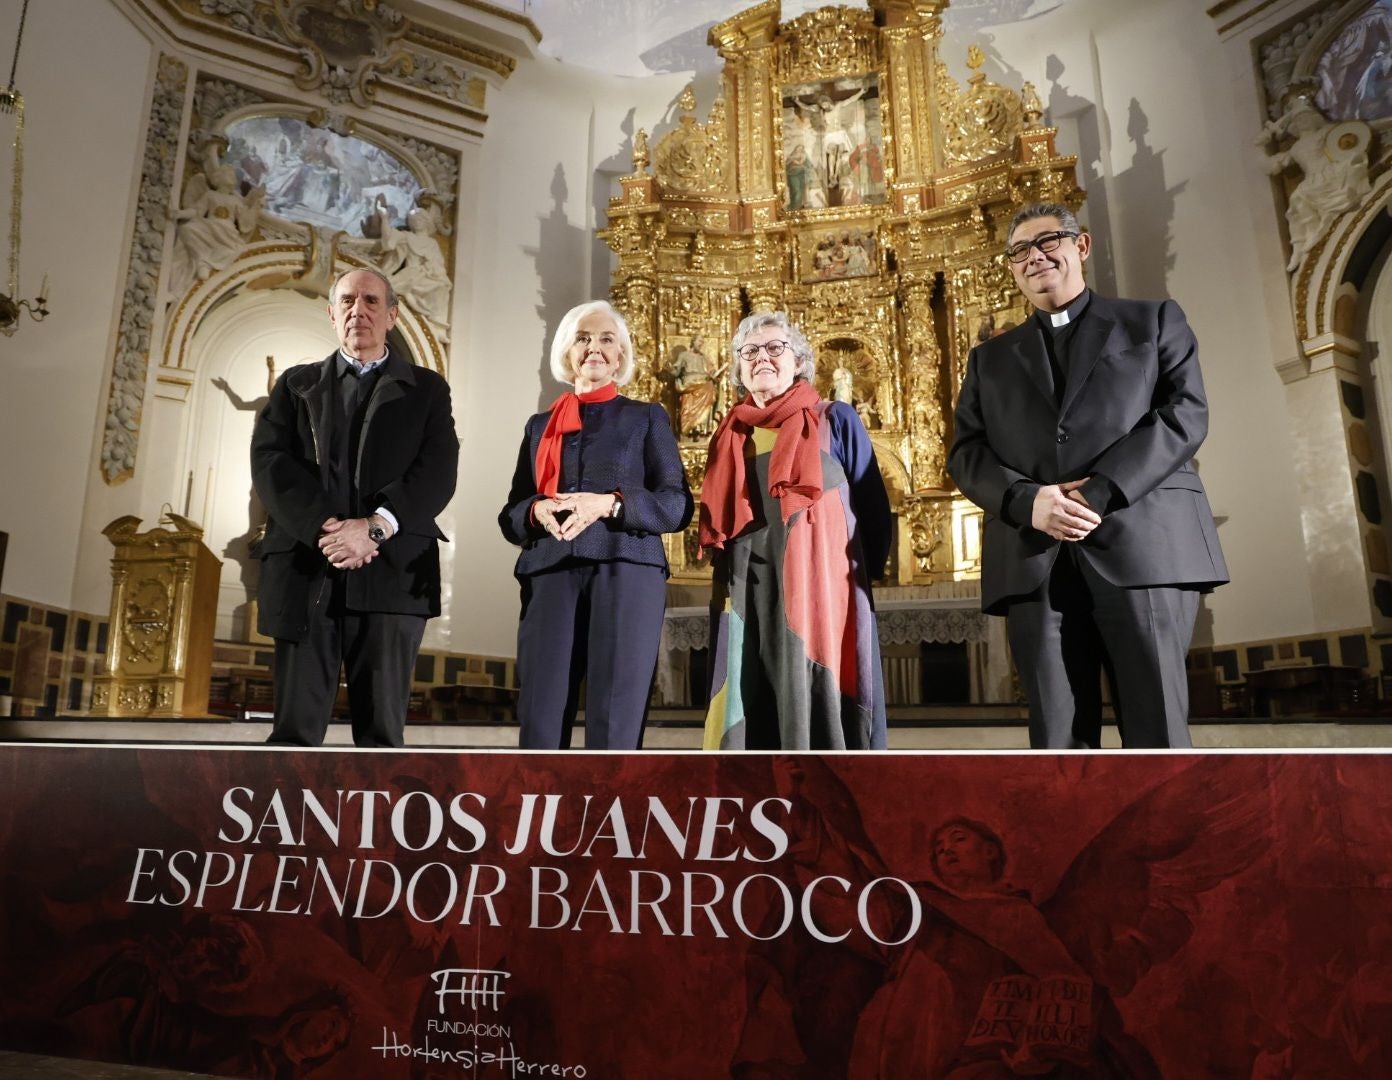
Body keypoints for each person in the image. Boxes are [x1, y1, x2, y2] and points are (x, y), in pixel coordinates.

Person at [947, 202, 1228, 749]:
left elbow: (1184, 414)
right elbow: (966, 453)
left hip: (1143, 546)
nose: (1034, 257)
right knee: (1058, 745)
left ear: (1081, 245)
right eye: (1019, 251)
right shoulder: (989, 359)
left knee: (1156, 733)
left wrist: (1099, 492)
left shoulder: (1152, 320)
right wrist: (1026, 501)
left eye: (1047, 241)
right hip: (1035, 558)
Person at [251, 267, 458, 747]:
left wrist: (375, 528)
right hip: (306, 570)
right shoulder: (295, 385)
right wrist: (327, 530)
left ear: (392, 316)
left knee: (382, 737)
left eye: (370, 301)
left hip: (392, 575)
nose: (357, 311)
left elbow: (437, 471)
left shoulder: (428, 390)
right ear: (331, 314)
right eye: (347, 301)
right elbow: (271, 464)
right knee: (294, 736)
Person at [499, 300, 693, 749]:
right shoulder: (539, 426)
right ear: (566, 352)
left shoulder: (647, 417)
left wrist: (609, 504)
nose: (595, 348)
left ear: (621, 354)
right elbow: (511, 514)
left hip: (626, 569)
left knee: (615, 718)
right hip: (550, 571)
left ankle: (612, 796)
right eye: (583, 338)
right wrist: (535, 511)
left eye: (607, 339)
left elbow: (676, 505)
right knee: (542, 716)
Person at [699, 311, 892, 750]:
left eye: (774, 348)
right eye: (750, 351)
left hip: (820, 592)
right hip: (746, 587)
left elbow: (873, 509)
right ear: (738, 366)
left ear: (800, 361)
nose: (761, 358)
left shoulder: (835, 419)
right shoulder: (730, 435)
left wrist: (857, 581)